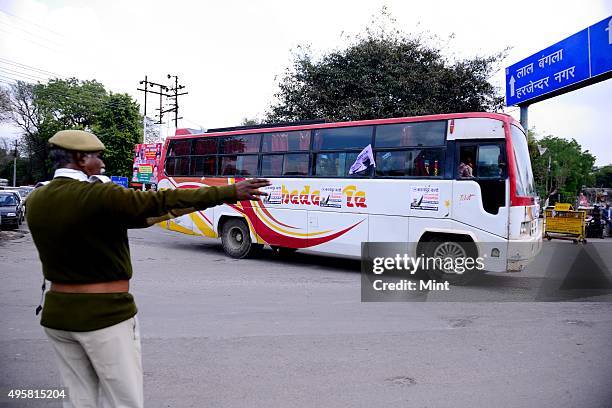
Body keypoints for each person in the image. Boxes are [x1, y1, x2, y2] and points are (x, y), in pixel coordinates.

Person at [26, 130, 270, 408]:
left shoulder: (37, 199)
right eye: (97, 157)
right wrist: (229, 191)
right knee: (125, 400)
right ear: (81, 159)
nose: (102, 163)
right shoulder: (99, 196)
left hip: (56, 315)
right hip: (102, 316)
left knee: (78, 399)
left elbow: (141, 216)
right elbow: (159, 202)